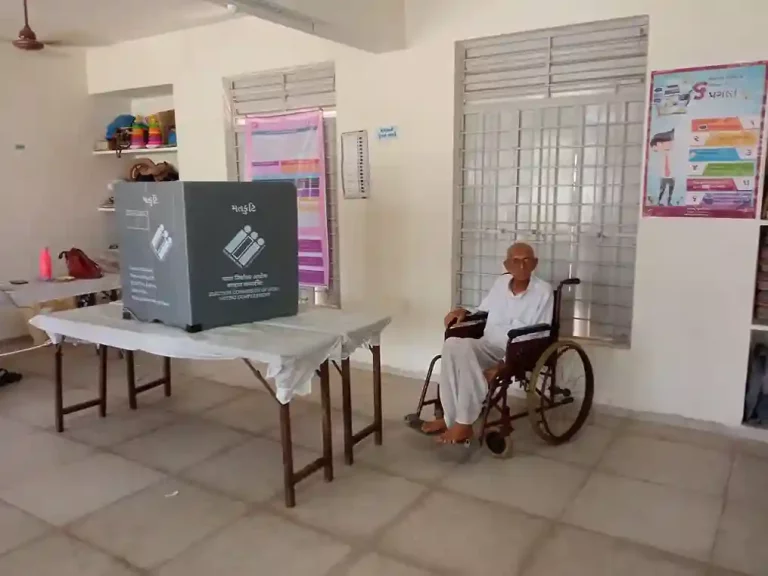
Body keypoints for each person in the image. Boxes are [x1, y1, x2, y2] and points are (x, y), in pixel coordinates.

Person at [422, 242, 553, 444]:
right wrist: (462, 312)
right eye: (515, 261)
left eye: (527, 260)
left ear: (535, 263)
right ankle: (449, 419)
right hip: (487, 344)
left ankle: (464, 424)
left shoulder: (543, 291)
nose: (521, 266)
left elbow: (538, 333)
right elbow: (482, 312)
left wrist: (502, 365)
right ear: (506, 264)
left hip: (516, 352)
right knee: (453, 345)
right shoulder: (500, 284)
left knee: (466, 359)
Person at [650, 129, 675, 206]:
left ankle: (669, 201)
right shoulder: (659, 155)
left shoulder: (671, 154)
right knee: (662, 190)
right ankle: (659, 201)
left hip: (671, 176)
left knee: (671, 189)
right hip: (663, 176)